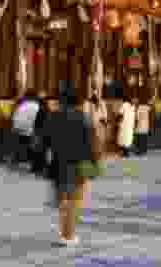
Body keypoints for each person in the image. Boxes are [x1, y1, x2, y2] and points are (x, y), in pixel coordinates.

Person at [43, 90, 103, 246]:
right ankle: (68, 235)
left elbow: (44, 140)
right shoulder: (84, 118)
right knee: (75, 200)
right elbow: (93, 143)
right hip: (79, 163)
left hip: (58, 163)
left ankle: (64, 229)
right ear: (80, 103)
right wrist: (96, 163)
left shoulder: (53, 116)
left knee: (64, 199)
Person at [11, 91, 41, 166]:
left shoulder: (21, 105)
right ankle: (32, 160)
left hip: (17, 130)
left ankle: (18, 157)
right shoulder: (37, 106)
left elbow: (14, 118)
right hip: (30, 133)